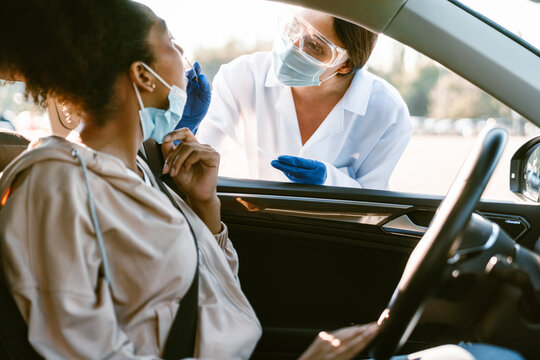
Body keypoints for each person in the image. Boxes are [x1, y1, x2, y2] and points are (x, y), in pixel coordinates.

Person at [0, 0, 378, 359]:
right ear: (142, 76)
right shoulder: (56, 184)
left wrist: (203, 205)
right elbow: (82, 350)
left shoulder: (139, 168)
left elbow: (215, 293)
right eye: (171, 44)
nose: (185, 58)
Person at [196, 9, 413, 189]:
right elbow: (198, 161)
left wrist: (329, 179)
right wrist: (187, 125)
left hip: (336, 235)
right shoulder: (242, 75)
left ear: (345, 64)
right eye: (293, 29)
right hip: (260, 224)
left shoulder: (388, 111)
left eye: (315, 46)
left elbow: (373, 205)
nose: (292, 46)